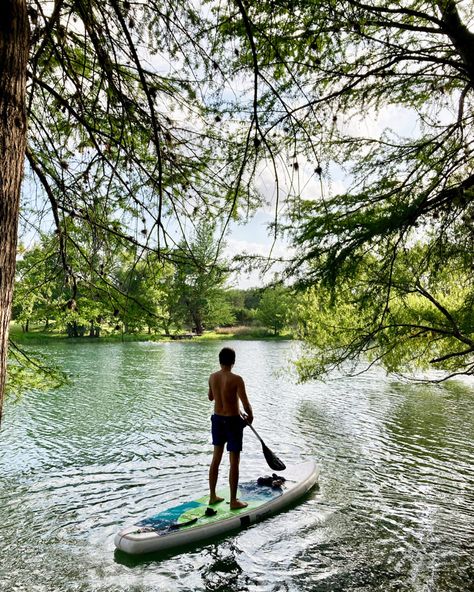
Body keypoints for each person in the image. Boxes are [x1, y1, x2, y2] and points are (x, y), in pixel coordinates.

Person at [208, 347, 253, 509]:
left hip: (217, 420)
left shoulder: (212, 377)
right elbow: (245, 403)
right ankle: (233, 501)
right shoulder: (237, 379)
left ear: (220, 361)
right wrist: (250, 416)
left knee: (216, 458)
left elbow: (210, 397)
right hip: (233, 422)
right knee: (234, 462)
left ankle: (213, 496)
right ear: (233, 362)